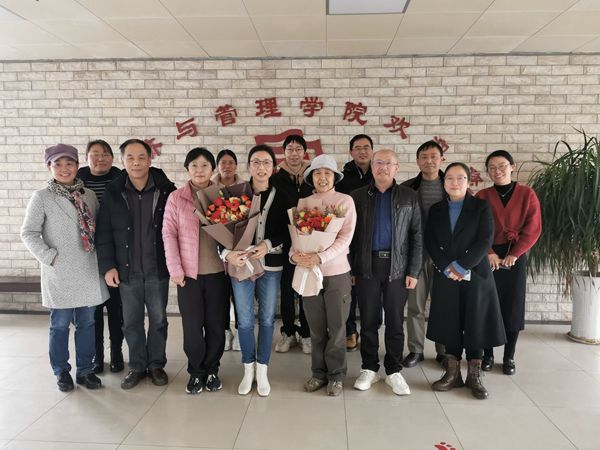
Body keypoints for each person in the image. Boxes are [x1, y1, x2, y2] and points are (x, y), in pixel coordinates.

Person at [21, 144, 108, 392]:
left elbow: (98, 230)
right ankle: (61, 371)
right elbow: (28, 233)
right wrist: (50, 257)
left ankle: (85, 371)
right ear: (49, 167)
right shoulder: (42, 197)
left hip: (87, 269)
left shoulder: (88, 195)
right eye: (57, 164)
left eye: (69, 163)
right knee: (59, 324)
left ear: (77, 165)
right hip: (59, 271)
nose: (64, 169)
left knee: (87, 323)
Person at [96, 138, 176, 390]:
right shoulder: (113, 193)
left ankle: (156, 364)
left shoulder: (166, 190)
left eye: (141, 157)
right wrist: (108, 266)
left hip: (157, 269)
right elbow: (103, 232)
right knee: (131, 322)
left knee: (158, 320)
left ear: (150, 159)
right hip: (127, 271)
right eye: (130, 157)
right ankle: (137, 366)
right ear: (122, 161)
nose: (136, 162)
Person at [425, 162, 506, 400]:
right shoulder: (437, 209)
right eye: (449, 178)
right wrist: (446, 267)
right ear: (444, 183)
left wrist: (462, 266)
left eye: (460, 178)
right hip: (446, 275)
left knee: (475, 321)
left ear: (468, 181)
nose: (455, 182)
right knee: (450, 321)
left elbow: (485, 240)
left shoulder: (480, 206)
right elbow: (430, 240)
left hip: (476, 273)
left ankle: (474, 375)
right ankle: (452, 374)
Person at [222, 144, 292, 397]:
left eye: (266, 163)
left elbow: (288, 231)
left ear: (273, 168)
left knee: (266, 318)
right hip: (242, 265)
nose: (261, 167)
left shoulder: (283, 196)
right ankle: (247, 368)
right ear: (249, 166)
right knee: (244, 319)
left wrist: (268, 244)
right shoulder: (235, 194)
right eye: (256, 162)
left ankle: (262, 370)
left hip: (271, 265)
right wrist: (228, 253)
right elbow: (221, 227)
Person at [350, 149, 422, 396]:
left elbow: (417, 236)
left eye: (388, 163)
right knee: (368, 320)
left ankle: (393, 370)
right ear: (372, 167)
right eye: (378, 162)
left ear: (396, 167)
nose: (383, 167)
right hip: (366, 266)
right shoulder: (358, 196)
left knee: (395, 321)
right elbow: (349, 236)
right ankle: (369, 367)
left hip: (398, 268)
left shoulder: (409, 196)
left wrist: (413, 270)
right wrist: (352, 267)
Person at [163, 148, 230, 394]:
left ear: (213, 169)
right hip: (188, 275)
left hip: (219, 273)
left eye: (204, 165)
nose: (199, 170)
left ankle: (212, 369)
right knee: (192, 327)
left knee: (216, 326)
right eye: (194, 165)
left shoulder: (224, 195)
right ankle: (195, 371)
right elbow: (168, 234)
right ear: (187, 169)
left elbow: (236, 230)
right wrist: (175, 269)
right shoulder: (176, 198)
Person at [290, 154, 357, 396]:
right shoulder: (304, 204)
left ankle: (336, 376)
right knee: (316, 328)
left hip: (336, 273)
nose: (322, 178)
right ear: (311, 177)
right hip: (309, 273)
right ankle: (318, 373)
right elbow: (296, 239)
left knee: (337, 328)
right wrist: (294, 256)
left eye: (327, 173)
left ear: (335, 177)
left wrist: (321, 257)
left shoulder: (345, 201)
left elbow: (345, 238)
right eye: (317, 173)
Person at [476, 150, 542, 375]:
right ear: (488, 172)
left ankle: (509, 356)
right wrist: (489, 252)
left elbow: (533, 227)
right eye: (492, 167)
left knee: (513, 306)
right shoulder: (482, 196)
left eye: (502, 166)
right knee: (487, 304)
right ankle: (487, 355)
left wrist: (516, 253)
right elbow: (477, 228)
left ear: (512, 167)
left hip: (515, 255)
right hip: (488, 256)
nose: (497, 171)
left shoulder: (527, 194)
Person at [77, 139, 125, 374]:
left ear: (112, 158)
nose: (101, 158)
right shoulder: (76, 183)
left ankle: (116, 352)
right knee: (92, 311)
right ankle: (97, 355)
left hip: (116, 254)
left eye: (106, 154)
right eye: (95, 154)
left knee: (117, 309)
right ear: (87, 158)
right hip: (86, 257)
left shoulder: (121, 180)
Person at [401, 140, 447, 367]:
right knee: (415, 306)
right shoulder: (407, 188)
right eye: (424, 157)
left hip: (445, 257)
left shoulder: (452, 185)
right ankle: (415, 350)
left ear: (441, 159)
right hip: (415, 257)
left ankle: (444, 350)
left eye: (433, 156)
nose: (429, 161)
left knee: (443, 305)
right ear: (417, 161)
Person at [271, 135, 313, 354]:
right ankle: (288, 332)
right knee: (287, 289)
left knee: (307, 289)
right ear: (284, 152)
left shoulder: (312, 176)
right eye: (290, 149)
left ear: (304, 152)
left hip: (310, 242)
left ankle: (306, 334)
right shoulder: (276, 179)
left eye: (298, 149)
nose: (294, 153)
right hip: (285, 242)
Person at [336, 134, 374, 352]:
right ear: (351, 152)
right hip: (347, 241)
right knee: (347, 289)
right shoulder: (342, 179)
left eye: (366, 147)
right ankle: (350, 330)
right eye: (357, 148)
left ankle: (369, 331)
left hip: (372, 241)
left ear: (372, 151)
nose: (362, 151)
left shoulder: (379, 175)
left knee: (368, 289)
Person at [211, 149, 242, 352]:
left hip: (239, 250)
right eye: (223, 162)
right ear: (217, 166)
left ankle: (239, 330)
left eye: (231, 162)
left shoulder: (245, 188)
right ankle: (225, 330)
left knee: (239, 295)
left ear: (236, 166)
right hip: (215, 253)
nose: (227, 166)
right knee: (221, 295)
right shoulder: (209, 189)